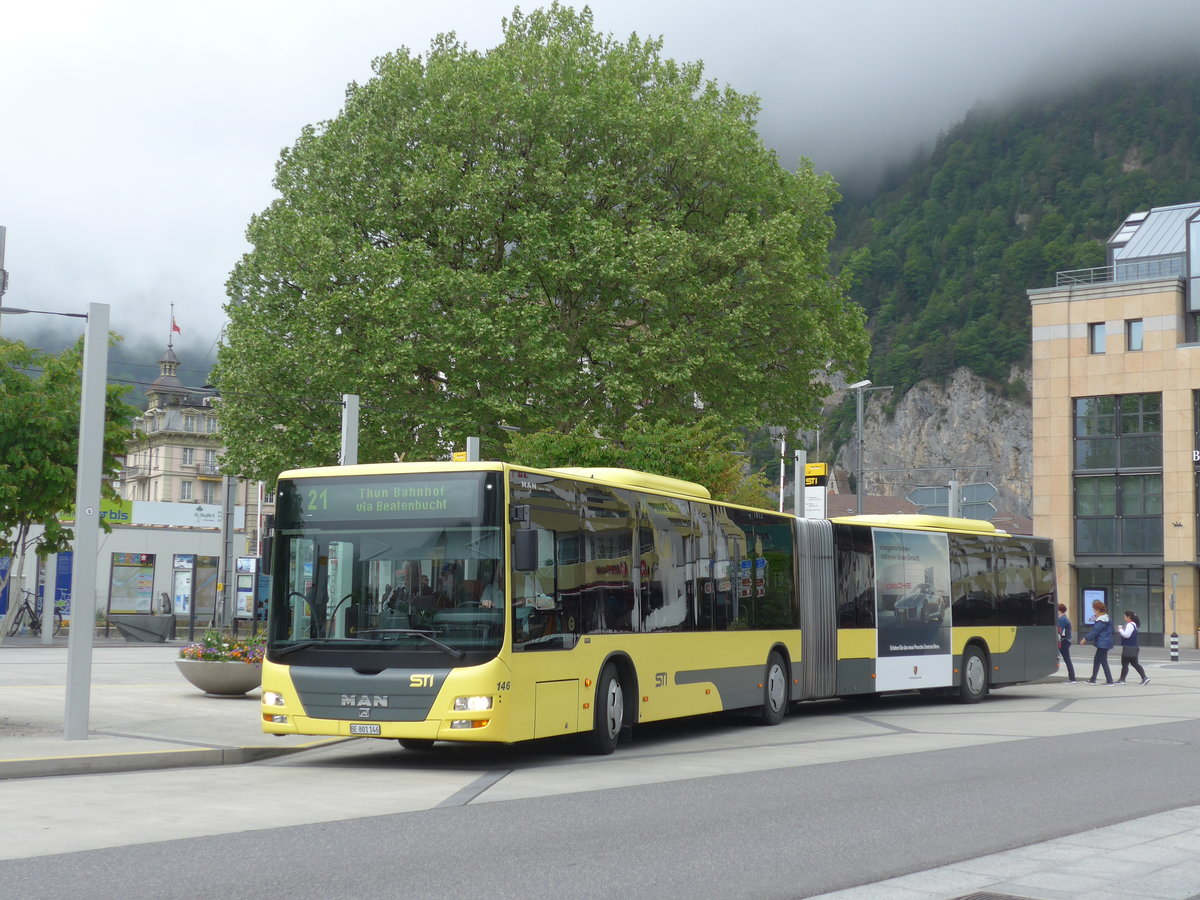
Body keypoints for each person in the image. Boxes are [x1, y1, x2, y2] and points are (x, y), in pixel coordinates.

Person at [1079, 598, 1114, 684]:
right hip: (1105, 642)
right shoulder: (1107, 618)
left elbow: (1095, 631)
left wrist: (1085, 639)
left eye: (1094, 610)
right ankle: (1093, 679)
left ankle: (1109, 680)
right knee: (1097, 660)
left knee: (1103, 661)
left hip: (1103, 643)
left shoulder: (1101, 620)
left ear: (1098, 610)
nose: (1094, 611)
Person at [1116, 610, 1150, 685]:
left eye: (1125, 616)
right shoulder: (1134, 625)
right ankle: (1144, 677)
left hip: (1129, 647)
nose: (1124, 618)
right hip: (1134, 647)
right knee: (1134, 663)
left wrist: (1120, 629)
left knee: (1125, 663)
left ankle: (1122, 680)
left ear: (1129, 617)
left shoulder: (1130, 625)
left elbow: (1126, 635)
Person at [1056, 602, 1077, 683]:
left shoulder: (1062, 619)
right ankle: (1072, 678)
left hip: (1064, 641)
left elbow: (1058, 630)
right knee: (1067, 659)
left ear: (1060, 610)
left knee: (1067, 659)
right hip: (1065, 641)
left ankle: (1072, 678)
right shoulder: (1063, 618)